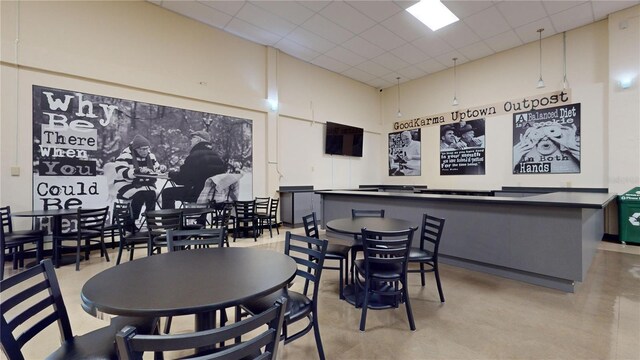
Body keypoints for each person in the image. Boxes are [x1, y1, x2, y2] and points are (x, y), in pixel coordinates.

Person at [161, 130, 226, 209]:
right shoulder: (217, 157)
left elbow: (182, 179)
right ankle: (201, 220)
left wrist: (171, 173)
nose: (191, 140)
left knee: (167, 193)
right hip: (213, 195)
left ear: (199, 140)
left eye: (193, 138)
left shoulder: (195, 156)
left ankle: (171, 221)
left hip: (196, 194)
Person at [112, 134, 165, 220]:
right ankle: (131, 221)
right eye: (143, 149)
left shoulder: (150, 156)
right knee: (140, 195)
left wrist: (161, 168)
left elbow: (156, 168)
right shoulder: (125, 157)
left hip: (145, 184)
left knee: (151, 194)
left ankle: (151, 220)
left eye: (147, 148)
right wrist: (136, 171)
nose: (145, 151)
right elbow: (121, 172)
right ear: (136, 149)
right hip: (127, 184)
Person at [513, 123, 580, 173]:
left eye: (550, 134)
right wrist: (513, 160)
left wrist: (580, 154)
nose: (545, 139)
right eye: (540, 135)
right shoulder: (521, 158)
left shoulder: (575, 155)